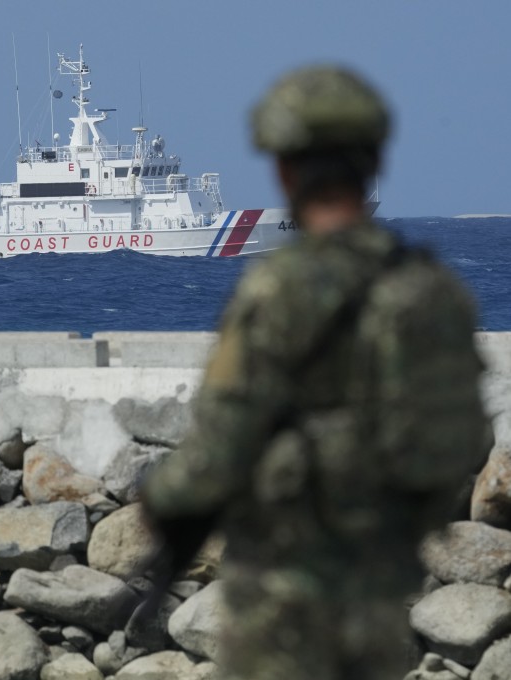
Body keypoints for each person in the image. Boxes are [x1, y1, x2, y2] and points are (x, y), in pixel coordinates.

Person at [142, 66, 490, 680]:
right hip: (383, 590)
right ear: (376, 158)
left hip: (279, 600)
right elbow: (460, 441)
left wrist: (163, 508)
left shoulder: (275, 289)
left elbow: (219, 445)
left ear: (282, 168)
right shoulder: (437, 291)